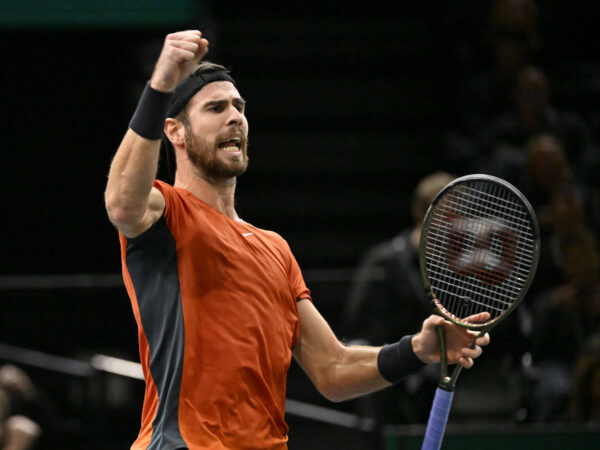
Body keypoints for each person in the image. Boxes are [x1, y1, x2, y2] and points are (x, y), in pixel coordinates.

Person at [104, 30, 490, 449]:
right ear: (175, 132)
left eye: (239, 107)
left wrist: (417, 349)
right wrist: (160, 84)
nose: (235, 116)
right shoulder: (167, 212)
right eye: (215, 108)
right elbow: (123, 205)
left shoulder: (275, 250)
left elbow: (333, 368)